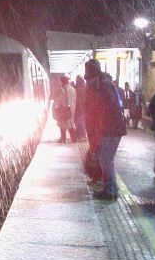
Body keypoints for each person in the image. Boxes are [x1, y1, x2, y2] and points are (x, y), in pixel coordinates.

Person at [84, 59, 127, 200]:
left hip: (110, 129)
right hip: (111, 128)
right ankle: (111, 187)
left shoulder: (102, 86)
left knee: (106, 158)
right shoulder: (102, 84)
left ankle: (110, 189)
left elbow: (106, 109)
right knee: (106, 158)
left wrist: (100, 126)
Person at [54, 76, 77, 143]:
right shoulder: (73, 89)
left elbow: (58, 100)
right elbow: (75, 100)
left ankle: (63, 139)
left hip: (64, 109)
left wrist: (55, 106)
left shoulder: (62, 90)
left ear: (62, 82)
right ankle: (73, 139)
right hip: (72, 109)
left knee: (62, 125)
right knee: (71, 124)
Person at [74, 75, 87, 141]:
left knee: (78, 122)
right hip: (83, 108)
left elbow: (77, 99)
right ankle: (82, 134)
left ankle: (80, 134)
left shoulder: (76, 89)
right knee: (81, 122)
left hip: (77, 108)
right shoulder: (85, 88)